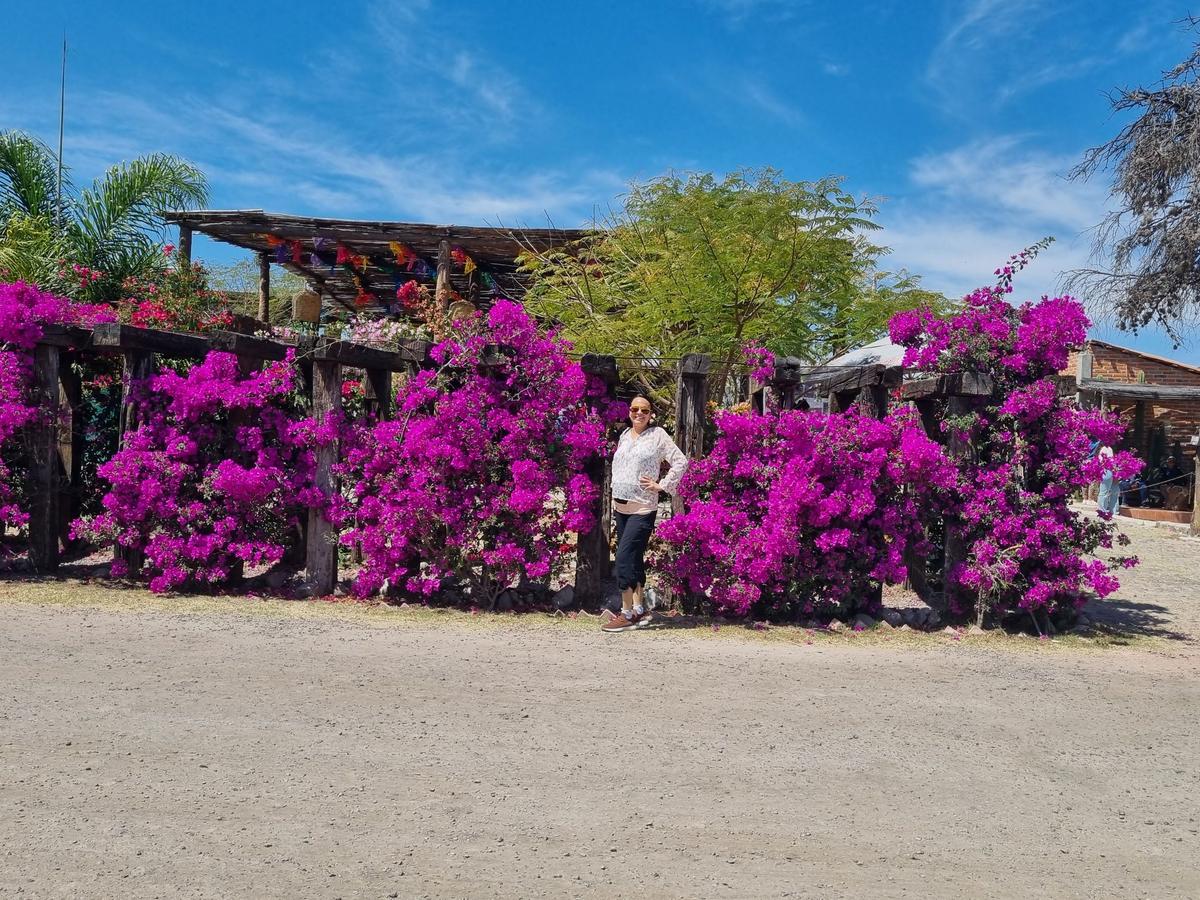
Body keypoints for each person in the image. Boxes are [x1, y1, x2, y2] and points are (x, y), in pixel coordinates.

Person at [602, 395, 688, 633]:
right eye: (634, 409)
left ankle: (626, 613)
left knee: (623, 558)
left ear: (651, 414)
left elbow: (680, 461)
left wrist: (662, 485)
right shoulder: (623, 436)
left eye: (644, 410)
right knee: (635, 557)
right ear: (629, 411)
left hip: (642, 507)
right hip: (621, 507)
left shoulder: (658, 435)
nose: (639, 413)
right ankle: (639, 610)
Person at [1096, 444, 1121, 515]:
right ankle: (1112, 510)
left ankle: (1103, 510)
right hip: (1109, 470)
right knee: (1112, 491)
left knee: (1105, 491)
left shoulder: (1105, 448)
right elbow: (1110, 461)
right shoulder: (1107, 448)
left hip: (1108, 470)